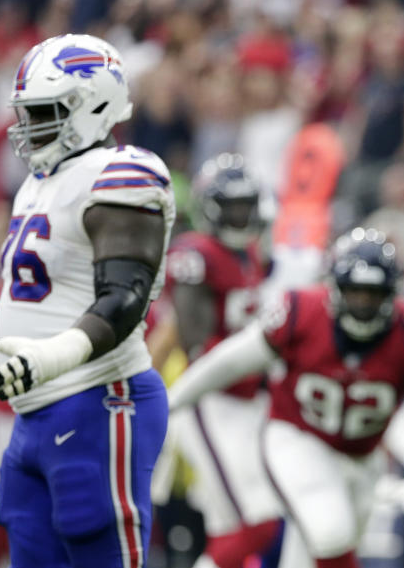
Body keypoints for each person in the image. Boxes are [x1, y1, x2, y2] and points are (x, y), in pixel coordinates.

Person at [0, 34, 175, 568]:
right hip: (33, 416)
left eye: (44, 112)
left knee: (100, 549)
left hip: (99, 397)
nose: (29, 127)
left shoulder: (121, 172)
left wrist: (51, 356)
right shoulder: (38, 184)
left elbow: (125, 297)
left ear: (93, 104)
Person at [167, 228, 404, 568]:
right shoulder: (301, 312)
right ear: (334, 287)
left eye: (373, 293)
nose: (363, 303)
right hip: (298, 437)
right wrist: (174, 399)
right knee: (330, 532)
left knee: (314, 554)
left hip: (363, 457)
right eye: (354, 291)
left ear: (392, 293)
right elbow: (229, 361)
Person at [163, 153, 283, 568]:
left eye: (246, 205)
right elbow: (196, 342)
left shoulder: (250, 254)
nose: (241, 215)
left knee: (231, 530)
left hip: (248, 400)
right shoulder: (195, 253)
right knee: (260, 524)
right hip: (211, 397)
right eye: (231, 206)